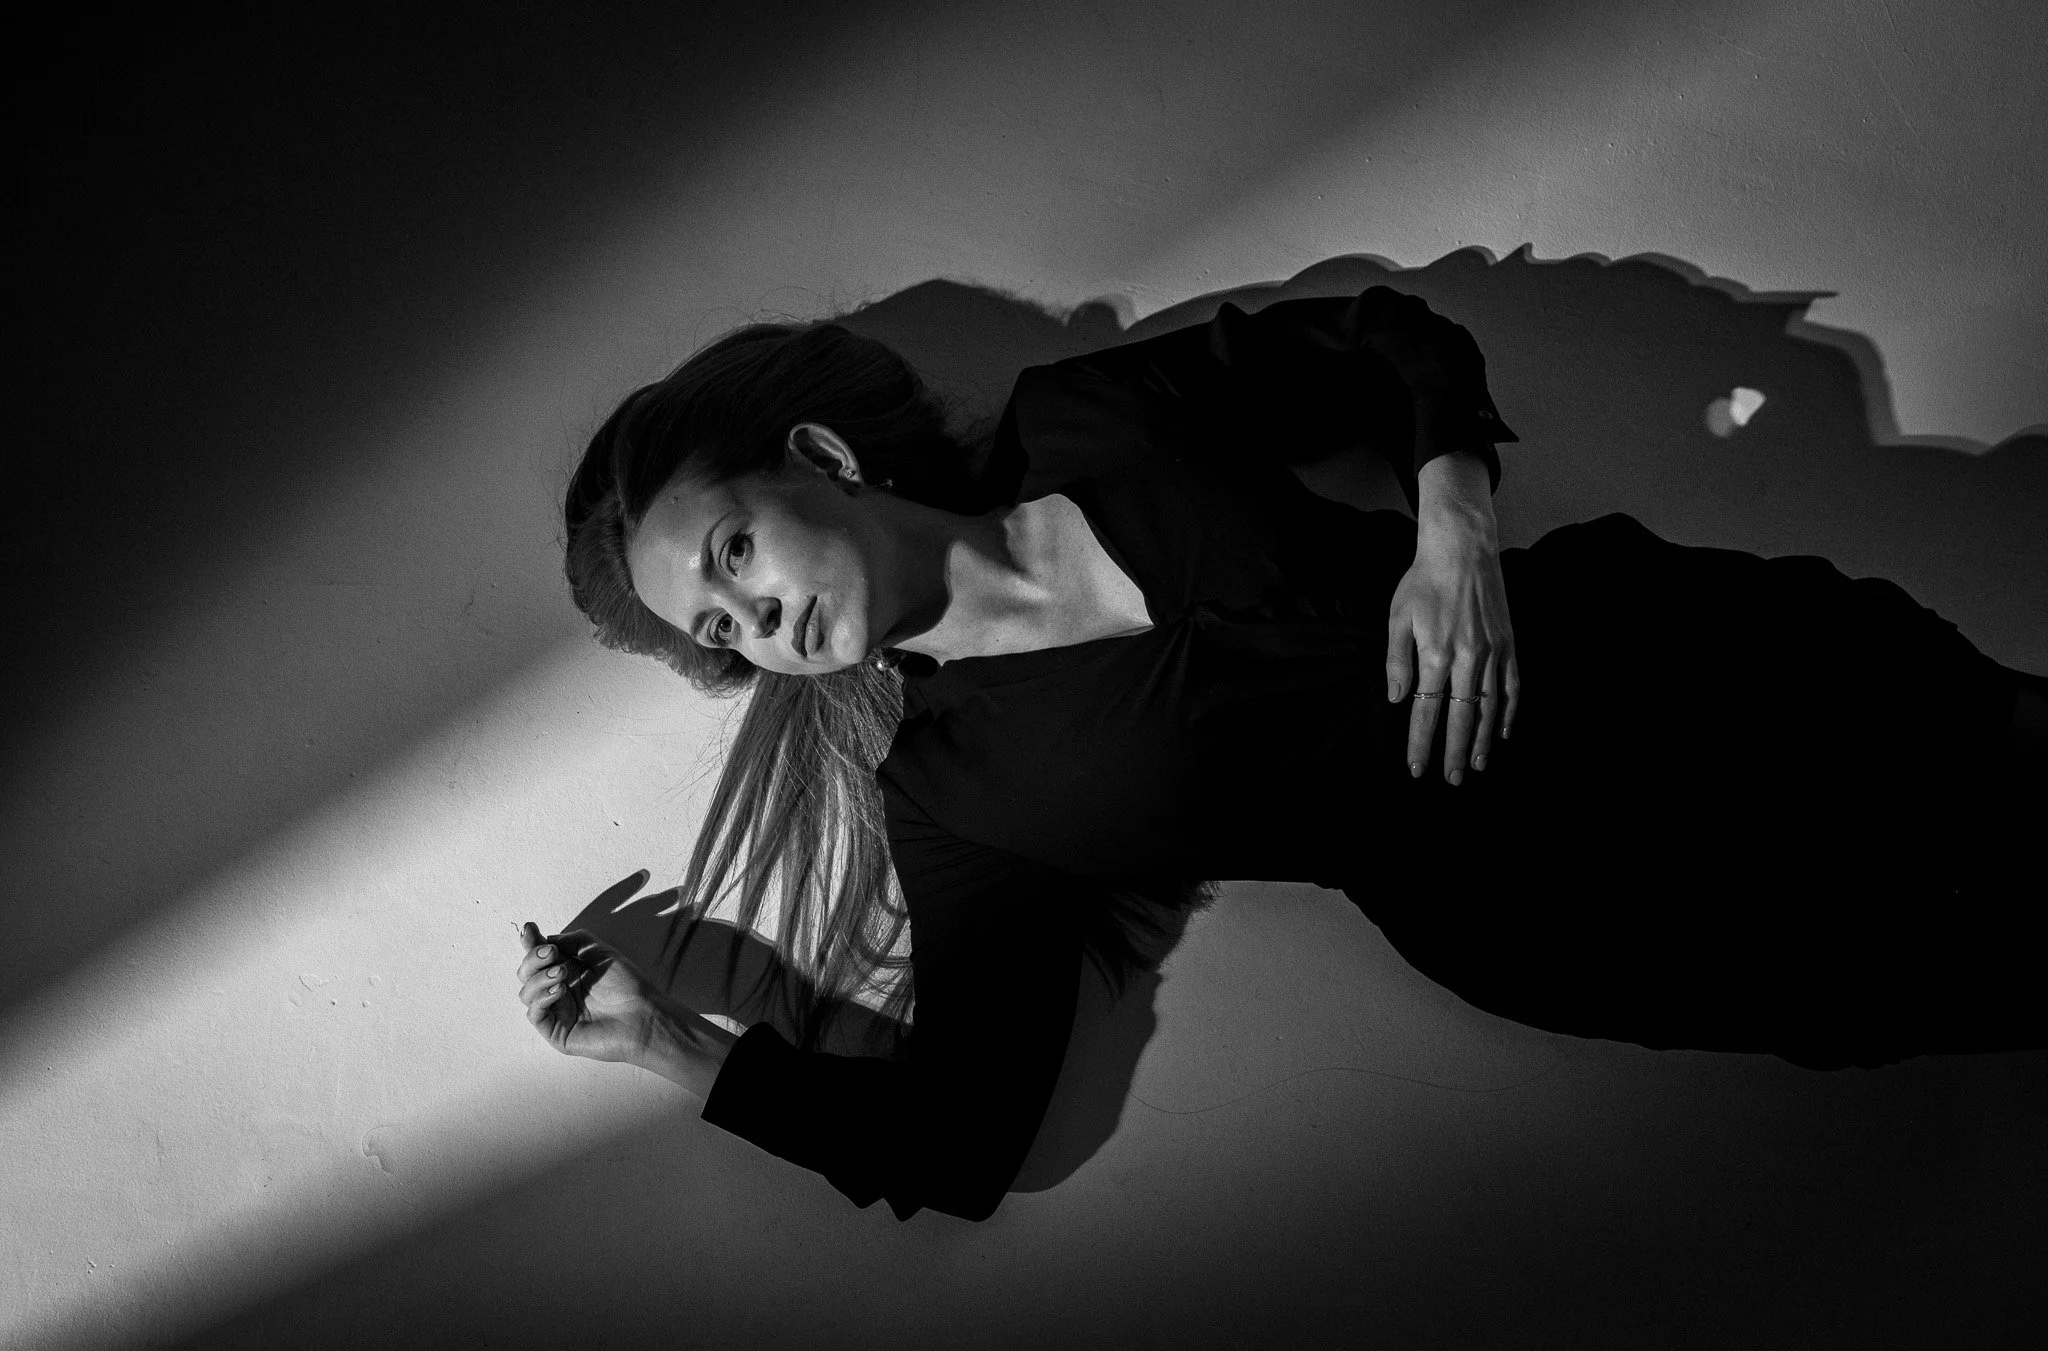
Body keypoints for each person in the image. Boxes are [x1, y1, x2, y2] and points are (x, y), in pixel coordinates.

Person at [518, 286, 2046, 1221]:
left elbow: (1391, 343)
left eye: (730, 549)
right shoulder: (956, 791)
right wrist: (666, 1042)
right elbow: (958, 1132)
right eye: (719, 626)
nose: (756, 616)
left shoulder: (1092, 416)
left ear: (821, 463)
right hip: (1607, 910)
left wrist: (1455, 527)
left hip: (1706, 662)